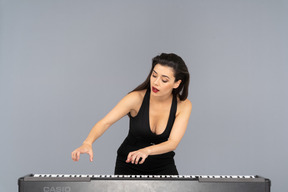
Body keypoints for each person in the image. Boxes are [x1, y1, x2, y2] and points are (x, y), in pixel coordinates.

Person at [71, 53, 192, 175]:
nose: (156, 82)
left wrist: (146, 151)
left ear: (176, 83)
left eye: (164, 80)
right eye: (154, 75)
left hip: (163, 165)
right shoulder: (135, 98)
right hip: (129, 164)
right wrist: (87, 143)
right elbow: (105, 122)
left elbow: (173, 143)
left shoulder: (183, 105)